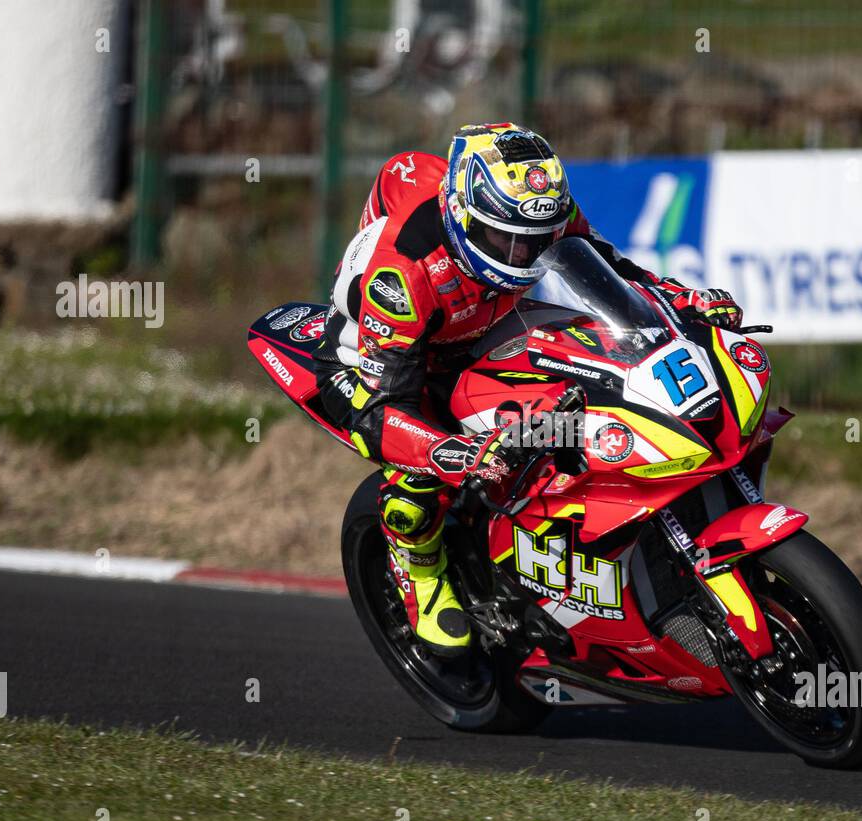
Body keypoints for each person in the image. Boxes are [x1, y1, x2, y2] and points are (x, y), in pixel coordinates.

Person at [313, 123, 742, 656]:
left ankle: (560, 529)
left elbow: (609, 272)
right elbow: (384, 410)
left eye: (534, 241)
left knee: (586, 380)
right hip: (379, 362)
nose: (521, 253)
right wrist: (455, 451)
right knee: (428, 467)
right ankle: (418, 570)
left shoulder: (540, 212)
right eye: (504, 237)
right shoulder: (404, 274)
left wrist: (680, 300)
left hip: (482, 322)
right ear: (464, 216)